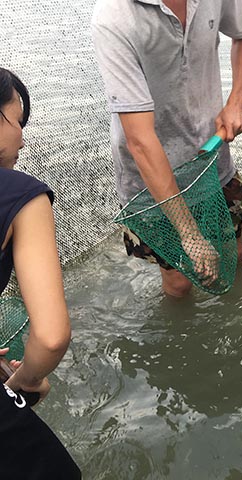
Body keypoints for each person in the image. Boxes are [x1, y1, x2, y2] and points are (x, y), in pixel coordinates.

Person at [91, 0, 242, 297]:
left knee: (235, 256)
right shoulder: (114, 17)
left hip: (210, 156)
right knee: (180, 283)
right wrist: (189, 233)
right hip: (149, 175)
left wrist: (235, 100)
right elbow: (140, 140)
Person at [0, 68, 81, 478]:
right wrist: (25, 381)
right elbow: (50, 337)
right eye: (17, 121)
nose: (23, 138)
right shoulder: (19, 193)